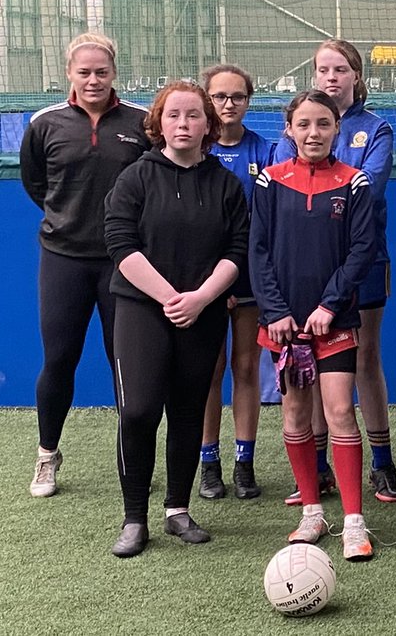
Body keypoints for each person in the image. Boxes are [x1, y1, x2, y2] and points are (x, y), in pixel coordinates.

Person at [105, 81, 249, 557]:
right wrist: (171, 297)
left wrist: (201, 298)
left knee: (188, 412)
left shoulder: (226, 184)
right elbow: (121, 245)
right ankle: (134, 519)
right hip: (142, 310)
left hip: (202, 313)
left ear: (209, 124)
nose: (183, 124)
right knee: (139, 410)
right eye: (174, 115)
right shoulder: (135, 177)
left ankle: (177, 511)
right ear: (158, 123)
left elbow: (237, 250)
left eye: (193, 116)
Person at [20, 32, 150, 498]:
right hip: (63, 260)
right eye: (84, 72)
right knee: (59, 361)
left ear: (114, 72)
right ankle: (46, 455)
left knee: (127, 366)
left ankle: (132, 462)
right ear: (68, 74)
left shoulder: (140, 121)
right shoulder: (45, 123)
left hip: (125, 263)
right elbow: (37, 183)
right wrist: (66, 220)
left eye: (101, 71)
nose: (93, 80)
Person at [251, 90, 378, 561]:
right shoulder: (269, 181)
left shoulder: (355, 182)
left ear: (337, 129)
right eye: (303, 124)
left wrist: (329, 304)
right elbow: (258, 250)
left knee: (341, 411)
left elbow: (362, 250)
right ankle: (310, 511)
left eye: (323, 124)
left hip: (335, 320)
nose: (313, 133)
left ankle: (352, 522)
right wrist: (274, 310)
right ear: (289, 129)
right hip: (283, 325)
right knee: (294, 415)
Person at [275, 39, 396, 504]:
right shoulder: (296, 127)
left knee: (363, 357)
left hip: (363, 260)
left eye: (340, 69)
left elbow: (369, 191)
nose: (331, 77)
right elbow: (283, 188)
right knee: (311, 361)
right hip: (304, 268)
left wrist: (330, 189)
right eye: (323, 69)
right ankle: (319, 467)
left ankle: (383, 465)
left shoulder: (377, 128)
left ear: (356, 76)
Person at [197, 63, 275, 501]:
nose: (228, 105)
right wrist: (212, 282)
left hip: (248, 277)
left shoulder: (264, 151)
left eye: (237, 97)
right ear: (207, 99)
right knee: (209, 371)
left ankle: (244, 462)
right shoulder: (193, 150)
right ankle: (209, 463)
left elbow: (265, 222)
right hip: (203, 282)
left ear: (249, 101)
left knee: (246, 367)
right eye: (219, 97)